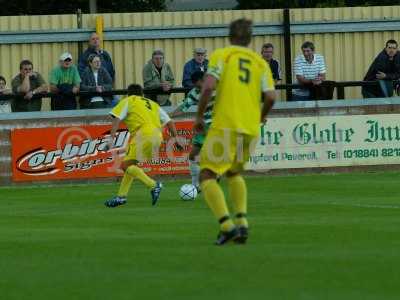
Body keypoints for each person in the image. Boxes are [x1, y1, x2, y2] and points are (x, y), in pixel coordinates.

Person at [194, 18, 275, 245]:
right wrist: (260, 117)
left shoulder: (223, 55)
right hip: (250, 129)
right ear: (250, 39)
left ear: (229, 36)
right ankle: (242, 223)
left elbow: (208, 86)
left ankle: (226, 226)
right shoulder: (260, 63)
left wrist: (199, 116)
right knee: (233, 173)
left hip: (226, 125)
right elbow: (270, 97)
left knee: (207, 174)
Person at [104, 84, 183, 208]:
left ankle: (153, 185)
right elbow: (169, 122)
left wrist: (111, 139)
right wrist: (176, 139)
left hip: (143, 134)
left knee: (125, 165)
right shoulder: (153, 104)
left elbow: (116, 118)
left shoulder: (129, 100)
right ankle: (121, 197)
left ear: (129, 94)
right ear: (142, 94)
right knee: (131, 164)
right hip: (158, 136)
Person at [171, 70, 214, 191]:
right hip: (203, 127)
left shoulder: (216, 89)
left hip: (216, 126)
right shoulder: (195, 92)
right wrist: (170, 116)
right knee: (193, 156)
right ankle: (196, 185)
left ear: (203, 80)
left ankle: (210, 178)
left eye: (197, 84)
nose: (196, 87)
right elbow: (184, 106)